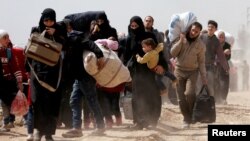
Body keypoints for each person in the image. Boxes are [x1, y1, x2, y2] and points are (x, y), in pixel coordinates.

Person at [26, 8, 67, 141]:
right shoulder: (36, 30)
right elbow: (30, 50)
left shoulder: (61, 29)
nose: (48, 23)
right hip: (37, 73)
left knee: (52, 103)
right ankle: (38, 131)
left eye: (50, 20)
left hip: (54, 73)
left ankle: (49, 133)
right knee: (37, 102)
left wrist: (57, 34)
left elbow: (67, 46)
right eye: (45, 20)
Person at [61, 19, 106, 138]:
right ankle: (77, 128)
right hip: (78, 77)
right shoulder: (66, 39)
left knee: (92, 101)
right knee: (74, 100)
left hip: (85, 76)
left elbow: (90, 43)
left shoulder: (75, 37)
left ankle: (100, 126)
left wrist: (100, 55)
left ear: (68, 28)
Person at [123, 16, 168, 130]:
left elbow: (159, 53)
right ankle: (138, 122)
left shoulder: (150, 36)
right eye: (132, 26)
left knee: (151, 95)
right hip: (136, 71)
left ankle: (152, 120)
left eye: (136, 26)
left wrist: (162, 65)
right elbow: (126, 55)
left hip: (150, 70)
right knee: (137, 96)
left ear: (140, 25)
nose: (134, 28)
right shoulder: (130, 38)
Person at [170, 22, 207, 129]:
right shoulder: (181, 39)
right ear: (190, 29)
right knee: (181, 98)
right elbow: (173, 53)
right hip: (179, 71)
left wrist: (204, 76)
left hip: (192, 72)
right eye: (193, 30)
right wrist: (180, 42)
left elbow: (201, 62)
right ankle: (186, 118)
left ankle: (191, 114)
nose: (193, 32)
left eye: (196, 31)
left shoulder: (201, 45)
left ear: (199, 33)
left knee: (190, 94)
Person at [199, 20, 229, 103]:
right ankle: (199, 103)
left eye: (212, 27)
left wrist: (226, 67)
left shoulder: (216, 41)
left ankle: (211, 103)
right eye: (209, 26)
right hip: (200, 66)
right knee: (198, 85)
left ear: (215, 29)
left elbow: (221, 56)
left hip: (210, 66)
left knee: (210, 85)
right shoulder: (202, 37)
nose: (210, 28)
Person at [0, 30, 23, 132]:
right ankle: (6, 122)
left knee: (9, 102)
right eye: (4, 38)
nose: (7, 40)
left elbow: (15, 68)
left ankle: (9, 123)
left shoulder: (9, 52)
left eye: (8, 38)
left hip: (8, 82)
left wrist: (19, 82)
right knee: (4, 102)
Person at [216, 31, 231, 104]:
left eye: (222, 37)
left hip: (224, 66)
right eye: (220, 37)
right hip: (215, 66)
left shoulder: (227, 45)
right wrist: (223, 53)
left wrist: (227, 53)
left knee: (225, 83)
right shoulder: (214, 44)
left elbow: (228, 58)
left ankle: (223, 98)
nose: (221, 38)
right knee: (216, 82)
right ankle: (217, 99)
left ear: (224, 38)